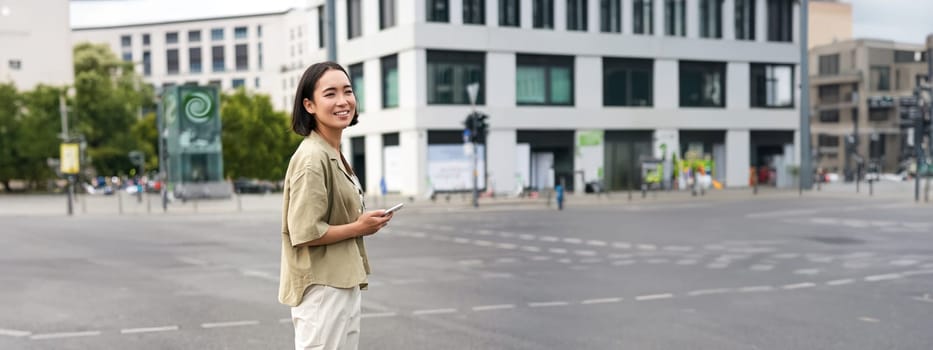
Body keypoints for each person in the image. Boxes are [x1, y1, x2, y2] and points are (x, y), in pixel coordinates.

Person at [279, 61, 393, 350]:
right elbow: (305, 231)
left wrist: (363, 224)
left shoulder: (332, 152)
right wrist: (359, 227)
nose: (343, 101)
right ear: (309, 105)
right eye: (330, 94)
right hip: (323, 288)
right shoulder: (312, 158)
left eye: (348, 91)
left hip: (342, 282)